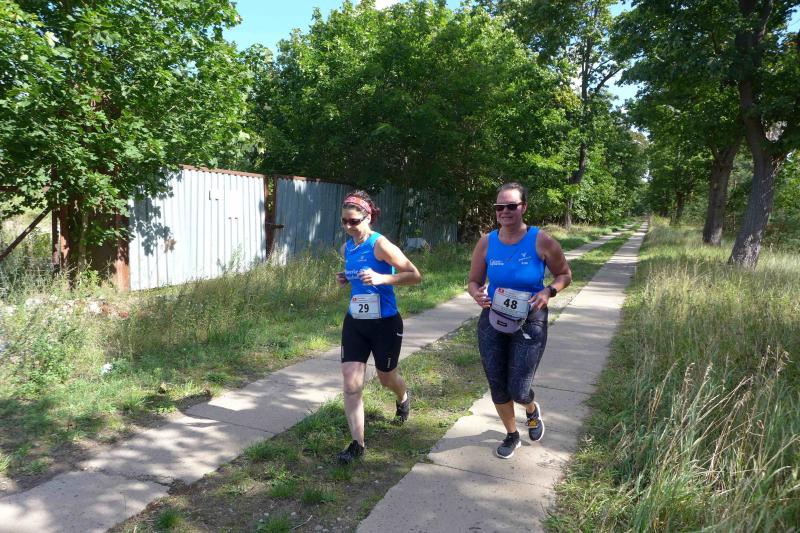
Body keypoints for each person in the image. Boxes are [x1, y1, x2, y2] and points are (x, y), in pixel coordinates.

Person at [467, 182, 572, 459]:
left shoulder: (541, 240)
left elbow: (564, 275)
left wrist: (548, 292)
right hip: (493, 318)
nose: (504, 211)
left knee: (520, 389)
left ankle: (531, 409)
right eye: (499, 206)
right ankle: (512, 434)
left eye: (511, 206)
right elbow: (473, 281)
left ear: (523, 207)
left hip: (530, 319)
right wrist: (477, 294)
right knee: (497, 383)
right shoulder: (486, 242)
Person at [334, 190, 422, 464]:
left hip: (385, 323)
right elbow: (359, 275)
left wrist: (382, 278)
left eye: (354, 221)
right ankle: (357, 444)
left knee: (386, 378)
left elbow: (414, 275)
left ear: (368, 217)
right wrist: (347, 278)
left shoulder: (380, 244)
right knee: (351, 383)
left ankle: (402, 397)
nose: (348, 227)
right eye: (344, 221)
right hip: (356, 321)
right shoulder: (347, 248)